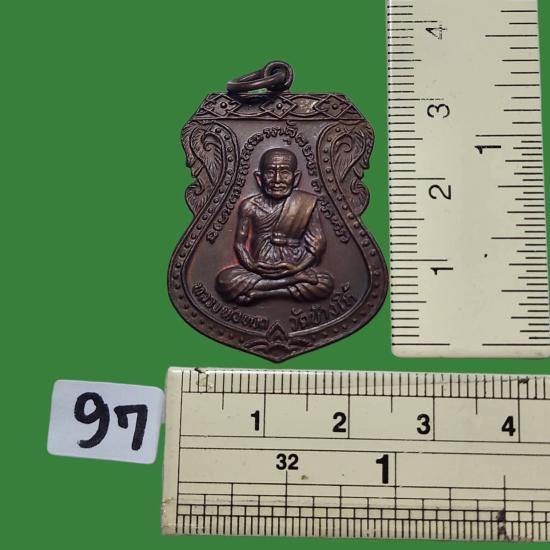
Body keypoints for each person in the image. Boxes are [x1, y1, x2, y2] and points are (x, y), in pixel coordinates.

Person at [216, 148, 334, 304]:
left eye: (284, 173)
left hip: (294, 265)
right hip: (259, 269)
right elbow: (239, 244)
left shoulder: (306, 203)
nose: (277, 179)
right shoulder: (249, 206)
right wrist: (251, 266)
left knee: (325, 283)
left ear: (296, 178)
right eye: (270, 173)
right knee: (224, 281)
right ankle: (291, 282)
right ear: (259, 178)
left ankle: (262, 293)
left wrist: (297, 268)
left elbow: (317, 244)